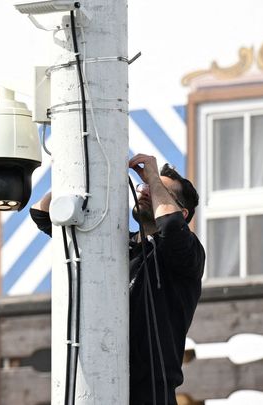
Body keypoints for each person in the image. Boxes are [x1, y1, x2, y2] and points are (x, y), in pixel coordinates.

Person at [29, 153, 205, 405]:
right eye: (143, 187)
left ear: (183, 212)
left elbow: (171, 227)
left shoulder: (188, 255)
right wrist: (76, 175)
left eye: (156, 192)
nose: (145, 191)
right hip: (97, 387)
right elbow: (42, 214)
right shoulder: (113, 244)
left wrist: (153, 177)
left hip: (151, 395)